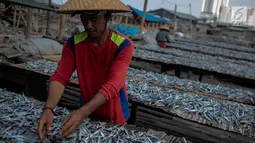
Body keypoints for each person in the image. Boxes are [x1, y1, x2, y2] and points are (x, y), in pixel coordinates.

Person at [37, 0, 134, 140]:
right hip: (86, 109)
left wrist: (82, 112)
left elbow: (114, 83)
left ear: (107, 16)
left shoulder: (123, 44)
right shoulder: (73, 44)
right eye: (84, 19)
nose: (88, 25)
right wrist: (48, 108)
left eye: (94, 19)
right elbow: (60, 77)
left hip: (114, 112)